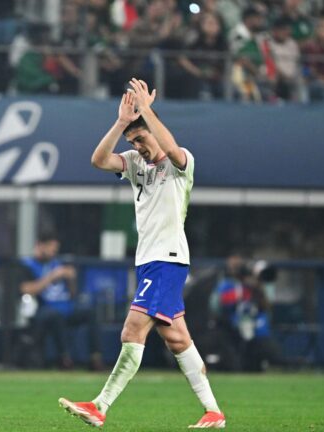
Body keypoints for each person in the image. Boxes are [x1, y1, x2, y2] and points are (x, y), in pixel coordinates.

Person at [59, 79, 224, 429]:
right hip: (149, 261)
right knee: (177, 339)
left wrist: (147, 111)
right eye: (132, 142)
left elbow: (171, 147)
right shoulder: (135, 163)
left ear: (154, 129)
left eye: (141, 138)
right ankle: (214, 412)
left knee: (132, 330)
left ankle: (100, 405)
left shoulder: (181, 163)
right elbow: (98, 160)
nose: (137, 146)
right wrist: (121, 123)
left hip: (167, 260)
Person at [20, 232, 103, 371]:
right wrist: (52, 276)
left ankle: (95, 358)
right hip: (44, 310)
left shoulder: (57, 264)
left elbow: (72, 294)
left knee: (90, 312)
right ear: (40, 246)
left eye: (55, 250)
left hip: (66, 308)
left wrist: (71, 279)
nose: (53, 253)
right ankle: (65, 359)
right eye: (51, 248)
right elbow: (27, 289)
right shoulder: (27, 265)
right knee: (55, 315)